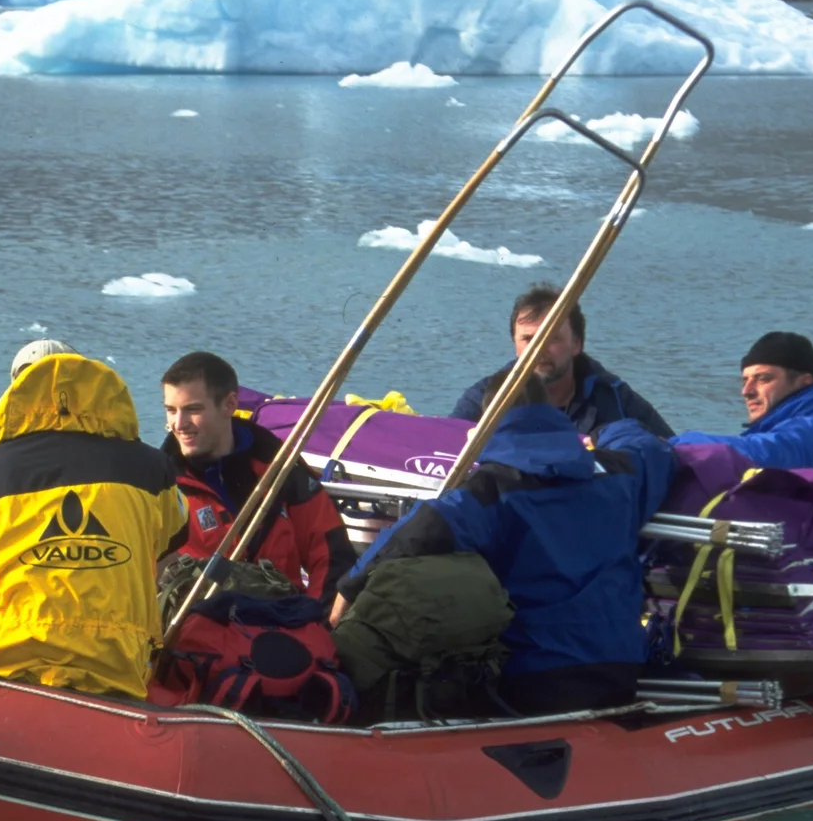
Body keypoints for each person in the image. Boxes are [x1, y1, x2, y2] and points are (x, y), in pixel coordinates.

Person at [332, 375, 676, 716]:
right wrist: (606, 433)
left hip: (531, 677)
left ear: (487, 422)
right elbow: (650, 446)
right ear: (552, 412)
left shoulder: (492, 490)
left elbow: (416, 533)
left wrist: (347, 589)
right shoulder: (618, 472)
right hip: (620, 666)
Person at [0, 347, 189, 698]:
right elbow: (172, 538)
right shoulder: (151, 469)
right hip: (116, 666)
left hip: (1, 660)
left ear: (15, 392)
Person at [160, 351, 357, 608]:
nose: (179, 423)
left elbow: (331, 553)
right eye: (171, 411)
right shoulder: (159, 484)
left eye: (192, 410)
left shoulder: (280, 467)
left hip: (285, 624)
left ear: (230, 404)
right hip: (199, 633)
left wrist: (316, 623)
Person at [672, 331, 813, 498]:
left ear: (804, 381)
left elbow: (756, 454)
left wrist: (672, 444)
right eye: (744, 380)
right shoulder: (808, 427)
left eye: (762, 379)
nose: (746, 391)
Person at [449, 282, 672, 438]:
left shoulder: (613, 397)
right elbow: (443, 445)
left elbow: (674, 450)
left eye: (551, 339)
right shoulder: (486, 396)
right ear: (515, 345)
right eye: (528, 339)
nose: (537, 350)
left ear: (577, 344)